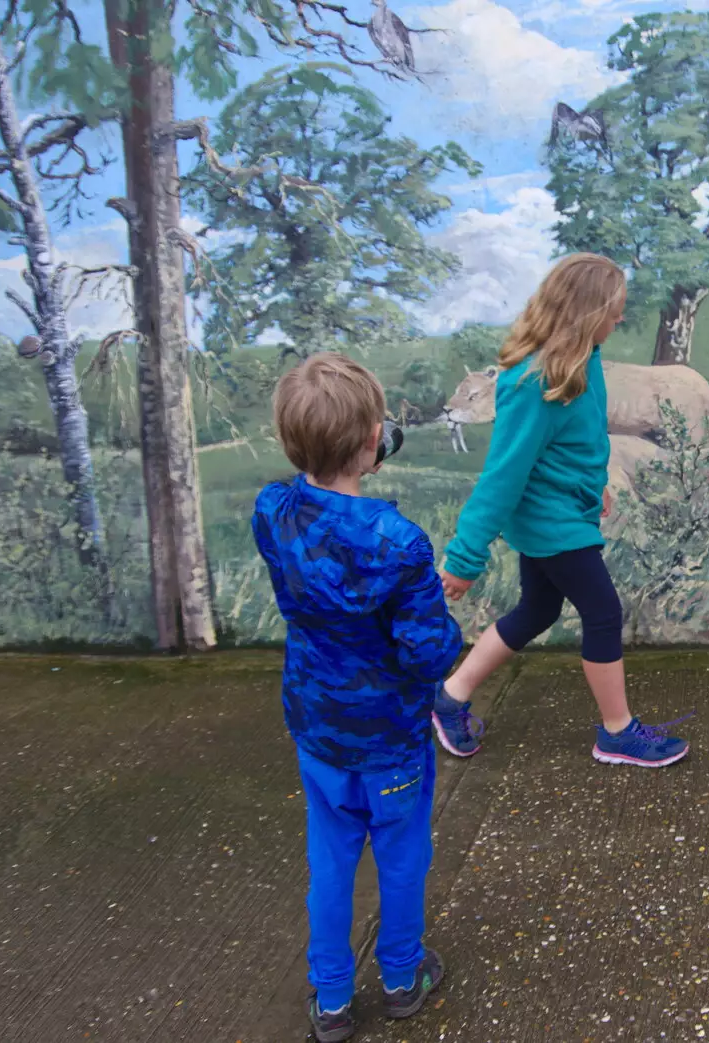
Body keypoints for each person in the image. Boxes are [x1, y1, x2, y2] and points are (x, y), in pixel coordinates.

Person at [251, 353, 463, 1042]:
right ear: (375, 441)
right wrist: (438, 606)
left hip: (317, 726)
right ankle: (403, 977)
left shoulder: (271, 511)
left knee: (331, 857)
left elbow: (299, 513)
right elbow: (428, 654)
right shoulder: (397, 543)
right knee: (401, 857)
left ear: (290, 442)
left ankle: (334, 997)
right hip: (390, 737)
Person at [430, 252, 689, 768]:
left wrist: (594, 489)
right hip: (550, 521)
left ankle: (450, 696)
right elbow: (502, 477)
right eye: (613, 311)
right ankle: (617, 733)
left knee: (539, 610)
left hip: (567, 509)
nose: (620, 320)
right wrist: (463, 559)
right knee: (603, 612)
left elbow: (582, 440)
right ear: (587, 312)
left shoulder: (581, 359)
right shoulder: (533, 384)